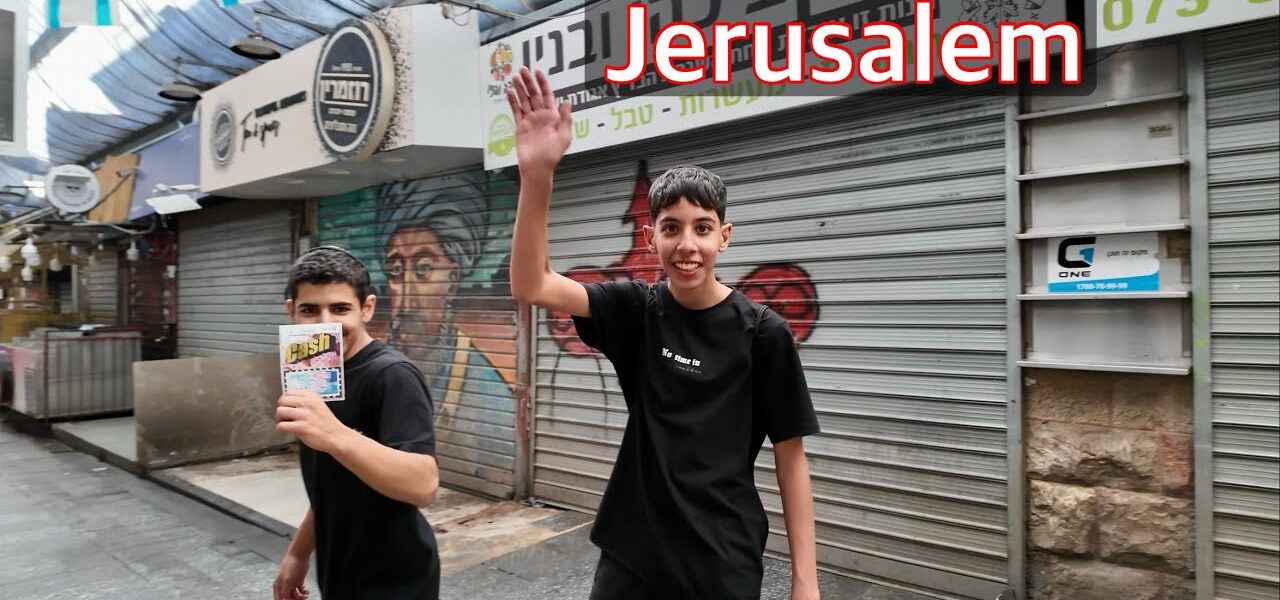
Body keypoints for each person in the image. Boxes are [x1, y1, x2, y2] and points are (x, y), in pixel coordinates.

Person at [507, 66, 823, 600]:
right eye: (672, 229)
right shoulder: (636, 310)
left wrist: (805, 582)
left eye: (703, 228)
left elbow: (791, 459)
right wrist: (538, 176)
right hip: (633, 555)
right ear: (651, 236)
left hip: (720, 562)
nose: (687, 245)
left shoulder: (763, 332)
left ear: (724, 236)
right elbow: (531, 284)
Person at [272, 246, 441, 600]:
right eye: (309, 310)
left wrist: (334, 434)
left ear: (367, 308)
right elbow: (333, 482)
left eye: (340, 309)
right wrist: (298, 553)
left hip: (395, 580)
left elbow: (423, 484)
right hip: (339, 570)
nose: (325, 324)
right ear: (291, 311)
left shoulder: (392, 375)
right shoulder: (316, 374)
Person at [377, 179, 511, 424]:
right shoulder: (373, 368)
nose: (406, 302)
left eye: (424, 268)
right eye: (395, 271)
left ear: (453, 279)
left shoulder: (490, 399)